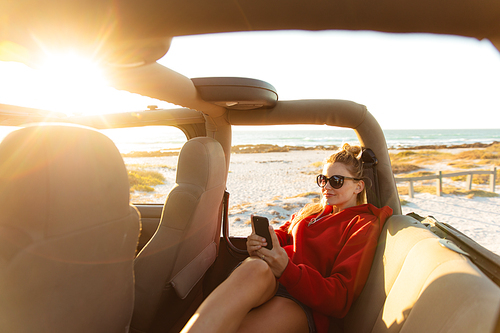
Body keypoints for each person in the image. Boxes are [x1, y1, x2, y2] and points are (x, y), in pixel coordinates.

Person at [181, 143, 393, 333]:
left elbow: (339, 298)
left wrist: (287, 269)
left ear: (359, 186)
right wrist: (260, 241)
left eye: (336, 181)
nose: (326, 187)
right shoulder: (313, 211)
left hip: (305, 302)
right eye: (323, 180)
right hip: (274, 278)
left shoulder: (363, 224)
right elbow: (282, 236)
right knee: (254, 268)